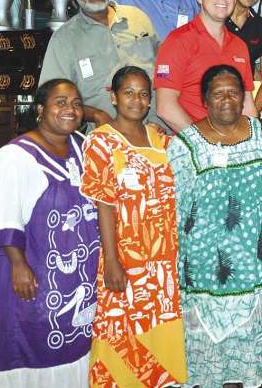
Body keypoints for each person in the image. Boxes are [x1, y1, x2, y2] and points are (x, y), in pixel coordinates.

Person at [0, 79, 99, 388]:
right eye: (61, 102)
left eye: (76, 103)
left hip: (77, 276)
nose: (70, 109)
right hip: (33, 270)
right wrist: (18, 265)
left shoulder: (82, 147)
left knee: (74, 343)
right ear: (40, 109)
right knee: (29, 341)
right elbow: (5, 215)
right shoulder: (17, 156)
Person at [168, 65, 262, 387]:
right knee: (207, 339)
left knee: (246, 330)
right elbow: (173, 201)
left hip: (250, 256)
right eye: (218, 94)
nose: (227, 99)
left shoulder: (260, 132)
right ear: (205, 99)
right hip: (203, 261)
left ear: (243, 96)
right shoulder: (186, 144)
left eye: (233, 92)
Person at [80, 67, 187, 388]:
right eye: (128, 93)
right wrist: (112, 261)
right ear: (113, 97)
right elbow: (104, 204)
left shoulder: (161, 139)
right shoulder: (101, 141)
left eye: (143, 94)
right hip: (126, 258)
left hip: (164, 259)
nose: (137, 100)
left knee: (160, 326)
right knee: (121, 328)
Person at [39, 0, 160, 130]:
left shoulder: (137, 18)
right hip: (106, 138)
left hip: (157, 131)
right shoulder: (64, 39)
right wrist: (95, 114)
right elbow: (51, 97)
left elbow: (166, 67)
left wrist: (165, 111)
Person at [154, 0, 256, 133]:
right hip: (194, 142)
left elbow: (247, 104)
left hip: (233, 139)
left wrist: (252, 139)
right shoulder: (178, 41)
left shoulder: (239, 46)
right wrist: (203, 141)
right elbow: (165, 106)